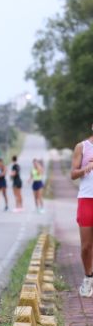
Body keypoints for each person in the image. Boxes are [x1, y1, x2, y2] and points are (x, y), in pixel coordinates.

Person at [71, 125, 93, 297]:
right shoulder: (82, 147)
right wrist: (86, 169)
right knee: (86, 246)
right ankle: (88, 277)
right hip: (87, 199)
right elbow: (73, 174)